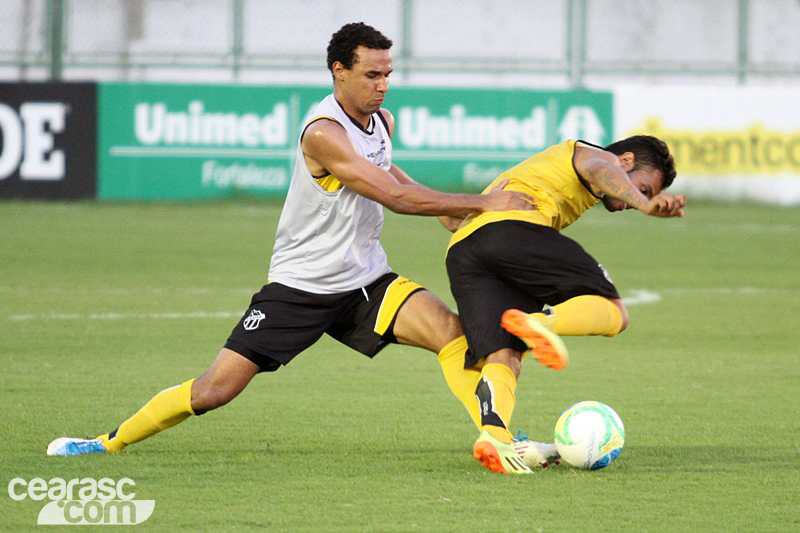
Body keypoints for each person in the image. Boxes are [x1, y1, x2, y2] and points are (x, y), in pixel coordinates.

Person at [47, 22, 559, 469]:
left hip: (367, 281)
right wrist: (480, 203)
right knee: (213, 391)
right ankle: (106, 444)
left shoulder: (382, 122)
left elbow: (387, 171)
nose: (382, 86)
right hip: (300, 287)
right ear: (339, 71)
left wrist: (451, 211)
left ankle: (502, 439)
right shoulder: (323, 133)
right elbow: (392, 196)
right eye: (371, 75)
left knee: (452, 332)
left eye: (387, 75)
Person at [439, 136, 684, 473]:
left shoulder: (537, 171)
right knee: (613, 312)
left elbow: (448, 219)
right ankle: (541, 323)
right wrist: (644, 205)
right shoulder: (595, 157)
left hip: (464, 250)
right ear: (625, 161)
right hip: (513, 233)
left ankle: (494, 436)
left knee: (503, 352)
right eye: (642, 188)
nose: (636, 200)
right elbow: (601, 169)